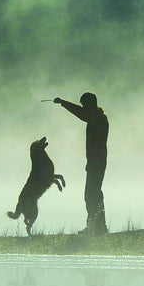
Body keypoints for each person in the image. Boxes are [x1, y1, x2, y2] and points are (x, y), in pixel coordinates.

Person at [52, 91, 109, 234]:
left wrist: (63, 103)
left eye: (85, 105)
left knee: (92, 193)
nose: (83, 108)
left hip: (97, 161)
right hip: (95, 161)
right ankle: (96, 226)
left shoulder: (98, 118)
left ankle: (97, 227)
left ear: (91, 104)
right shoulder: (96, 116)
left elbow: (82, 115)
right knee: (92, 193)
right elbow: (83, 114)